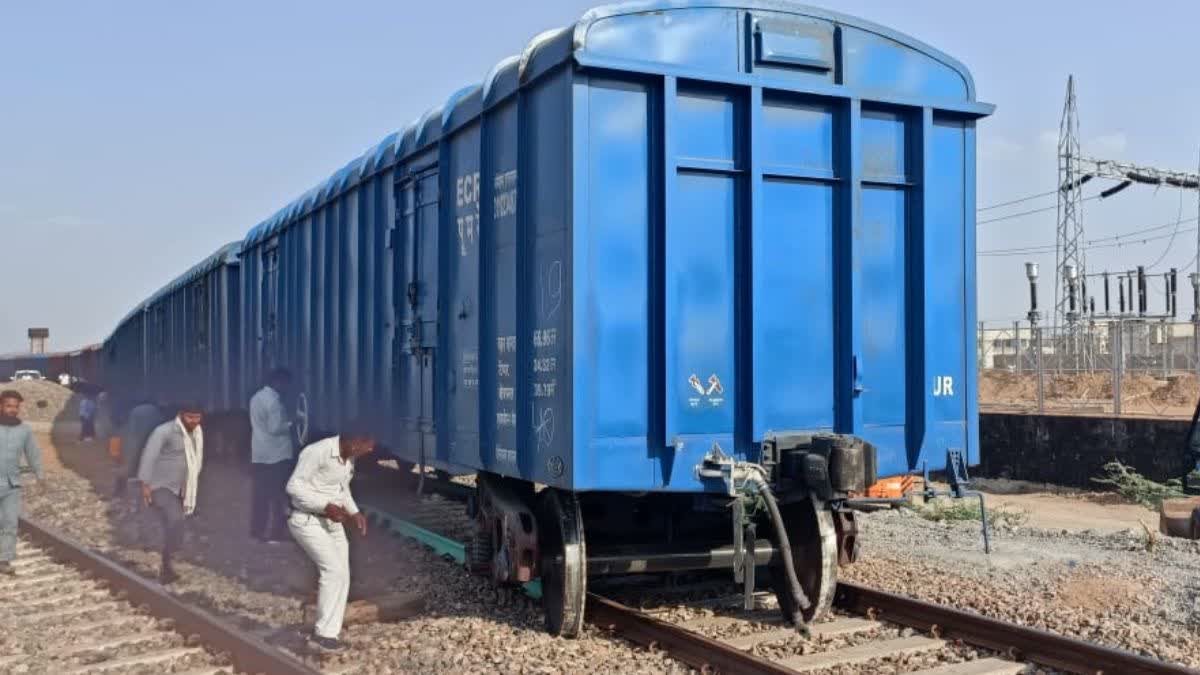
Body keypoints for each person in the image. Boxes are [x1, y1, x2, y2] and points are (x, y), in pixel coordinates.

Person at [286, 423, 375, 651]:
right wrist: (324, 506)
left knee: (343, 575)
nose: (371, 450)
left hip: (333, 523)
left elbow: (342, 489)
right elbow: (293, 486)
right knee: (333, 571)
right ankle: (322, 634)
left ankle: (330, 634)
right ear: (354, 441)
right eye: (368, 444)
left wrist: (354, 512)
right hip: (307, 520)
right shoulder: (317, 452)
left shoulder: (349, 458)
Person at [137, 403, 204, 584]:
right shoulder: (163, 432)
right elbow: (149, 456)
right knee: (175, 519)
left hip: (180, 488)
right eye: (190, 417)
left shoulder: (196, 433)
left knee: (173, 524)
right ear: (181, 415)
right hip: (160, 485)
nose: (194, 421)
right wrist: (145, 484)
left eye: (198, 418)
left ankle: (166, 563)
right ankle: (168, 561)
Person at [0, 390, 44, 576]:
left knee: (10, 521)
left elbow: (33, 452)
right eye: (9, 406)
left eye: (16, 406)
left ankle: (4, 558)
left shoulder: (24, 430)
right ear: (1, 406)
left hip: (12, 484)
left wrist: (40, 474)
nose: (13, 410)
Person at [249, 368, 295, 543]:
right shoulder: (274, 402)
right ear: (278, 382)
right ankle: (276, 533)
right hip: (277, 455)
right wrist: (292, 423)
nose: (287, 388)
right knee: (278, 496)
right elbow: (275, 428)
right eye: (286, 383)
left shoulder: (256, 398)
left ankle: (256, 530)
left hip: (259, 453)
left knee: (260, 496)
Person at [113, 397, 165, 497]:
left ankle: (119, 491)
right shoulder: (156, 412)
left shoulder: (136, 411)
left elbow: (131, 429)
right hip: (149, 440)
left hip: (136, 439)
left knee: (129, 464)